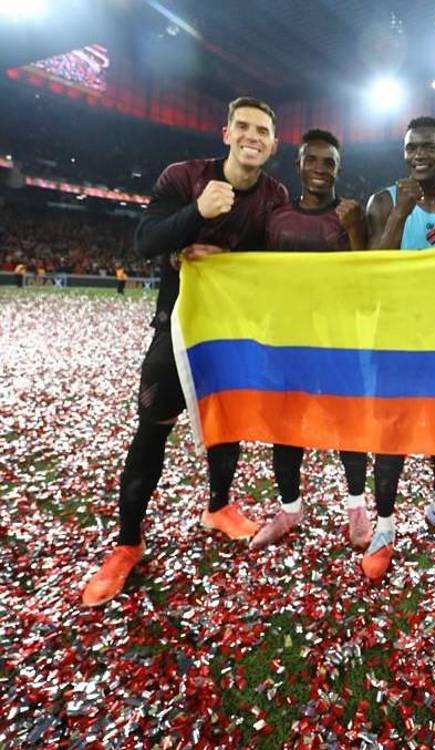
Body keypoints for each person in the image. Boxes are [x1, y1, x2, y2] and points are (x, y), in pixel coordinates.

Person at [80, 96, 289, 608]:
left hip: (233, 331)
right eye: (243, 126)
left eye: (262, 130)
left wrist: (226, 259)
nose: (252, 136)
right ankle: (128, 543)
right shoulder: (183, 178)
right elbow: (145, 240)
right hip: (174, 327)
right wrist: (196, 213)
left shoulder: (275, 195)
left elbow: (274, 263)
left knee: (229, 423)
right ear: (226, 133)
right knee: (152, 429)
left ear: (273, 144)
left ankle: (218, 507)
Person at [360, 115, 435, 580]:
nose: (418, 155)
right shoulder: (383, 201)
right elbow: (371, 272)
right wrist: (401, 213)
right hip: (394, 339)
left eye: (428, 147)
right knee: (391, 435)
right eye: (411, 147)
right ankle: (385, 527)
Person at [252, 128, 370, 549]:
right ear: (298, 165)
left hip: (339, 341)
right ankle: (289, 509)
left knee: (349, 427)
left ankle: (357, 507)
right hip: (286, 341)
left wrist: (355, 231)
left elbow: (367, 280)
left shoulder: (351, 215)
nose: (320, 168)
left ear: (339, 169)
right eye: (312, 160)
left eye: (329, 162)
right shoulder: (277, 218)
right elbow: (254, 272)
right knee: (286, 430)